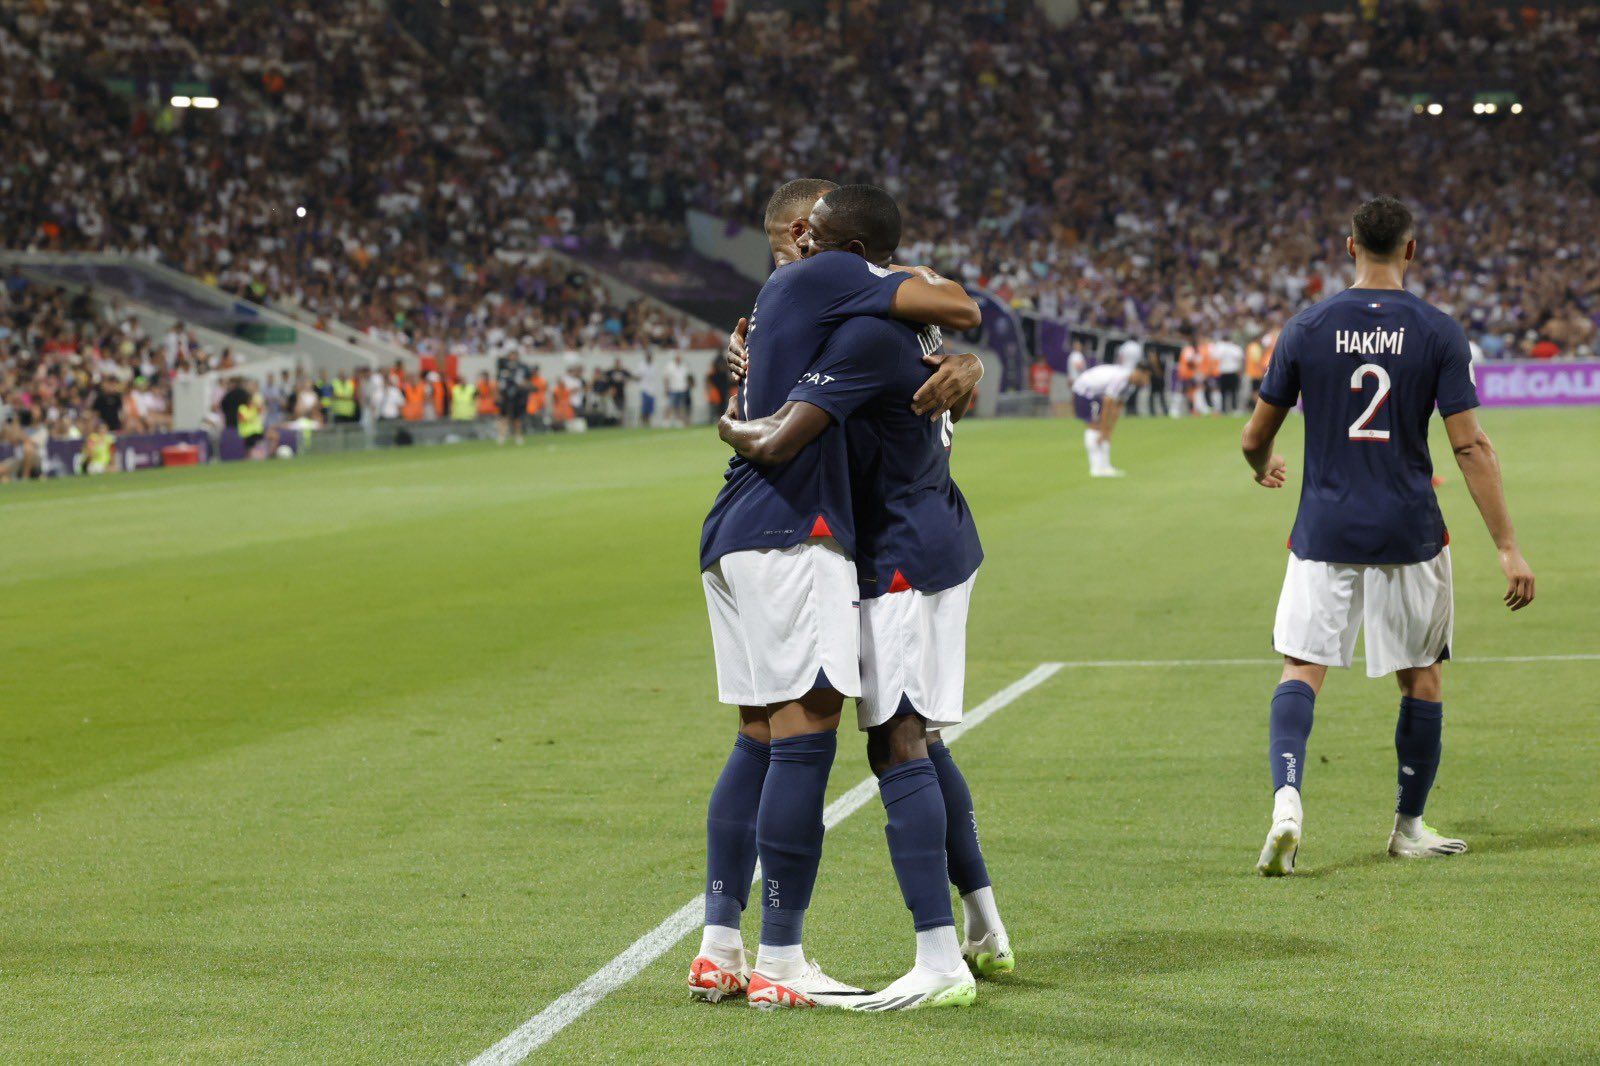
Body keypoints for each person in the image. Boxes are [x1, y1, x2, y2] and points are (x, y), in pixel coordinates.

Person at [690, 180, 982, 1011]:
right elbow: (954, 301)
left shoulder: (770, 310)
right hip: (796, 530)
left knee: (756, 736)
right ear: (806, 234)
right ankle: (781, 960)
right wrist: (963, 346)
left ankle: (720, 944)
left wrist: (964, 358)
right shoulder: (831, 279)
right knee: (806, 740)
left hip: (731, 529)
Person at [1241, 197, 1536, 876]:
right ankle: (1407, 826)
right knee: (1422, 680)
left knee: (1300, 668)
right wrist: (1508, 546)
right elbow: (1470, 448)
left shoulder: (1307, 326)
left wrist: (1264, 466)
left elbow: (1257, 436)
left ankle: (1288, 798)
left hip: (1324, 525)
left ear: (1350, 247)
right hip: (1409, 527)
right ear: (1410, 250)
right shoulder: (1437, 331)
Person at [1072, 361, 1149, 477]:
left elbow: (1116, 408)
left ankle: (1105, 466)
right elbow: (1107, 404)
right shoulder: (1122, 378)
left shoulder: (1131, 386)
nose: (1147, 382)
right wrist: (1103, 429)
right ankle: (1095, 468)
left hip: (1097, 394)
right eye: (1147, 377)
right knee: (1094, 426)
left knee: (1105, 430)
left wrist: (1109, 429)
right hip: (1084, 390)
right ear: (1140, 373)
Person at [495, 349, 531, 444]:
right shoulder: (503, 368)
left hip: (517, 395)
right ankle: (502, 436)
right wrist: (498, 394)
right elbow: (499, 382)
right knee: (503, 416)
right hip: (505, 395)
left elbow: (527, 381)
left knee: (516, 418)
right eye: (511, 355)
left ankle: (518, 436)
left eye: (515, 355)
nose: (513, 357)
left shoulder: (522, 368)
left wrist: (522, 385)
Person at [1212, 335, 1244, 414]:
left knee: (1224, 392)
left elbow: (1215, 356)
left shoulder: (1220, 347)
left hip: (1224, 372)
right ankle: (1234, 408)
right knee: (1233, 391)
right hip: (1232, 371)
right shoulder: (1235, 348)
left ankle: (1224, 409)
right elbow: (1240, 358)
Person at [664, 354, 690, 428]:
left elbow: (687, 377)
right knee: (670, 405)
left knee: (680, 406)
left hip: (682, 389)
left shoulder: (684, 366)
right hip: (673, 389)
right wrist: (666, 388)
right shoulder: (670, 366)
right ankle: (666, 421)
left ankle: (679, 421)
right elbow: (666, 378)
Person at [638, 351, 660, 426]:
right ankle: (643, 421)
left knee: (651, 408)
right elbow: (638, 376)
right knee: (644, 407)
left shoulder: (654, 365)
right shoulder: (641, 365)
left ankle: (648, 421)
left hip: (652, 389)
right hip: (644, 388)